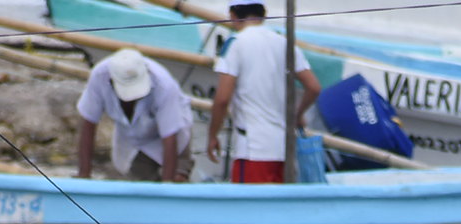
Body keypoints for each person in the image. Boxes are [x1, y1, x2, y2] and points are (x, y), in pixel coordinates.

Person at [205, 1, 321, 183]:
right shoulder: (285, 43)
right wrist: (297, 115)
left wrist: (212, 135)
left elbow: (222, 99)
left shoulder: (236, 43)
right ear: (263, 14)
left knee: (247, 209)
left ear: (233, 15)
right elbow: (313, 87)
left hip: (253, 150)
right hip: (284, 150)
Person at [76, 50, 193, 182]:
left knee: (177, 180)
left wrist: (168, 187)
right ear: (111, 80)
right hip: (137, 139)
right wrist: (84, 174)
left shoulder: (164, 85)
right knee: (138, 183)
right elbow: (88, 124)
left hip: (175, 131)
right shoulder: (99, 76)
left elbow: (170, 138)